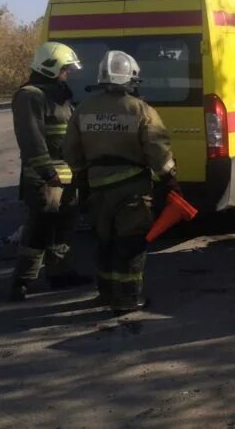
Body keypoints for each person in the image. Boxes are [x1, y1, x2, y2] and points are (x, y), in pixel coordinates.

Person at [63, 51, 178, 314]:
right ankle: (127, 298)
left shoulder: (84, 108)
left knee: (105, 241)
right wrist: (170, 180)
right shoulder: (140, 109)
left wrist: (82, 175)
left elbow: (70, 149)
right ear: (131, 79)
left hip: (97, 189)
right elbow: (158, 149)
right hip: (132, 190)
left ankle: (105, 293)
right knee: (130, 243)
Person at [9, 42, 90, 301]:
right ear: (50, 67)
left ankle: (59, 273)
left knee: (63, 228)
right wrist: (47, 172)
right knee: (39, 230)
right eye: (65, 69)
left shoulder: (59, 94)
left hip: (66, 176)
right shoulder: (30, 96)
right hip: (45, 179)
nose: (68, 74)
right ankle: (23, 281)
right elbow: (31, 139)